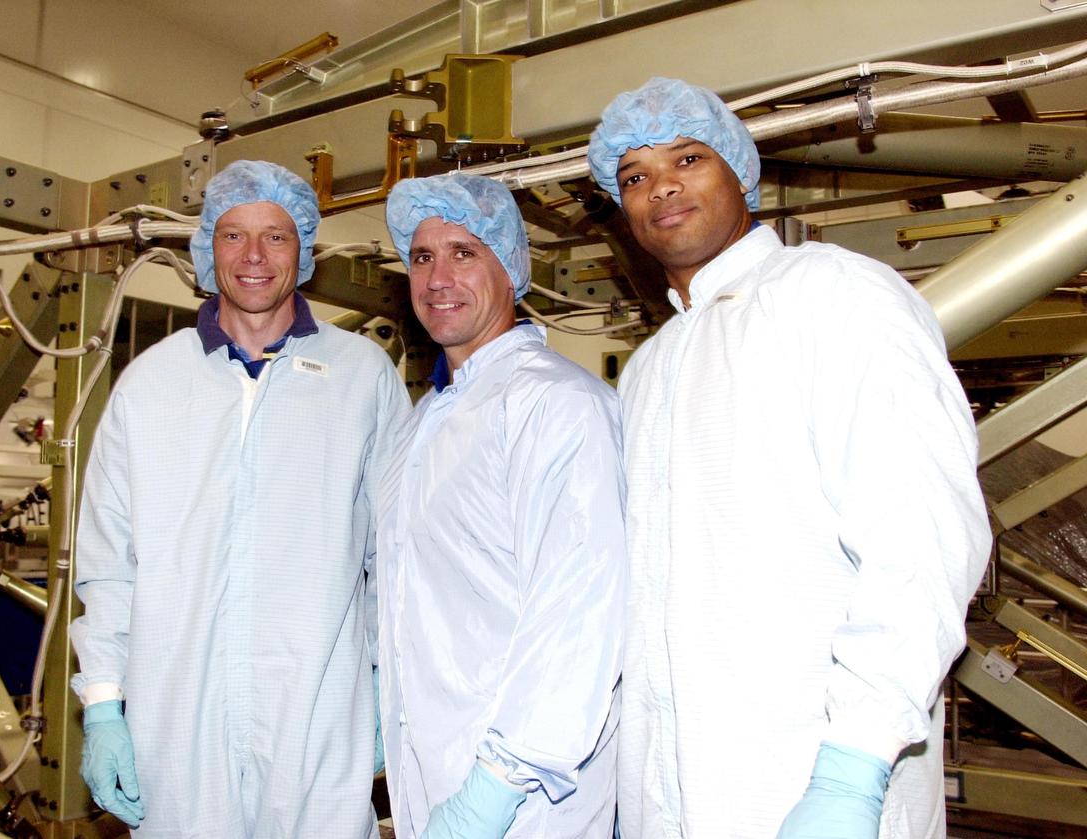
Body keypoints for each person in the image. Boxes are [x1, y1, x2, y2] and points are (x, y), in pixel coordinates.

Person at [586, 77, 991, 839]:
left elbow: (921, 535)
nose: (660, 187)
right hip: (672, 796)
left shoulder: (836, 295)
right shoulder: (649, 368)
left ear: (740, 171)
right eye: (634, 176)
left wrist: (855, 764)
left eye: (688, 158)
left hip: (814, 781)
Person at [68, 159, 409, 838]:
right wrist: (104, 705)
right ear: (206, 250)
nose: (253, 256)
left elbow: (396, 555)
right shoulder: (151, 384)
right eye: (233, 235)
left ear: (303, 252)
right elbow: (109, 562)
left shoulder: (361, 377)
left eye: (275, 237)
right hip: (176, 726)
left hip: (319, 719)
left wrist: (386, 689)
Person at [377, 172, 628, 839]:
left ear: (510, 269)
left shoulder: (557, 404)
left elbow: (578, 613)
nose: (438, 277)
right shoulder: (427, 418)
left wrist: (495, 785)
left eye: (464, 252)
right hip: (433, 772)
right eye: (422, 257)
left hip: (525, 797)